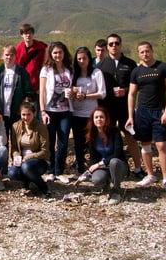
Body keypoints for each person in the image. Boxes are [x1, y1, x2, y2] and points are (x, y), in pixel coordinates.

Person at [126, 42, 166, 192]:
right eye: (142, 52)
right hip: (142, 112)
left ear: (152, 51)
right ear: (138, 54)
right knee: (145, 144)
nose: (145, 54)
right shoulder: (136, 71)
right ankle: (150, 175)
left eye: (147, 51)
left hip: (158, 111)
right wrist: (131, 116)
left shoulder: (163, 68)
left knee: (161, 145)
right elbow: (132, 94)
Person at [97, 33, 144, 178]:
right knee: (107, 137)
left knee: (131, 136)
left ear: (120, 45)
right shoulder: (101, 65)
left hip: (125, 107)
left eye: (116, 43)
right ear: (107, 46)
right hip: (107, 108)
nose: (114, 46)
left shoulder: (129, 64)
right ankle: (106, 168)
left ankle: (138, 168)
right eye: (110, 44)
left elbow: (138, 85)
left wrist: (127, 91)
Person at [39, 41, 73, 184]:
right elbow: (42, 92)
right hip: (50, 110)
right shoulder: (46, 70)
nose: (57, 55)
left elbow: (74, 87)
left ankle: (60, 170)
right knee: (50, 141)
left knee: (63, 142)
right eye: (55, 53)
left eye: (60, 52)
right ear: (51, 54)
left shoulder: (69, 69)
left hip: (65, 110)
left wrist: (73, 92)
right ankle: (51, 170)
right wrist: (43, 111)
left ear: (64, 53)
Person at [70, 46, 106, 175]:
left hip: (91, 113)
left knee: (91, 140)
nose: (81, 61)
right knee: (78, 141)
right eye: (79, 58)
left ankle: (93, 166)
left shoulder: (96, 73)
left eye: (84, 58)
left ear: (89, 59)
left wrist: (86, 96)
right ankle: (80, 166)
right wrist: (73, 92)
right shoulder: (73, 74)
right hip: (75, 112)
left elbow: (102, 93)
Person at [84, 107, 129, 205]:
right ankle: (106, 185)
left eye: (101, 117)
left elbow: (118, 153)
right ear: (93, 120)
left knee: (114, 162)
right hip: (103, 167)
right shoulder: (92, 134)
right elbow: (93, 158)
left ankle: (116, 191)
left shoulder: (115, 132)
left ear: (106, 119)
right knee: (96, 179)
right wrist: (89, 171)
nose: (99, 119)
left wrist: (100, 163)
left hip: (118, 165)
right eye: (96, 117)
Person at [0, 45, 34, 138]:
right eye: (6, 55)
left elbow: (28, 92)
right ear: (2, 56)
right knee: (2, 141)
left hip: (16, 113)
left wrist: (24, 110)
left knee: (18, 140)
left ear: (15, 56)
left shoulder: (22, 72)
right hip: (0, 113)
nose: (9, 57)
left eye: (11, 55)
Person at [8, 101, 51, 196]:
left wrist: (28, 157)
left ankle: (44, 188)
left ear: (34, 114)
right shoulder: (15, 126)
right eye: (23, 114)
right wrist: (16, 157)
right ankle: (28, 180)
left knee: (26, 167)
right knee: (12, 173)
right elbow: (14, 147)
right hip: (22, 160)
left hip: (39, 160)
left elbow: (45, 152)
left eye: (29, 114)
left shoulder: (41, 127)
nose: (26, 117)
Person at [15, 23, 48, 113]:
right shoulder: (18, 49)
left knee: (37, 113)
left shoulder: (42, 48)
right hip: (23, 87)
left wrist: (42, 86)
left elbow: (45, 68)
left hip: (37, 87)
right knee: (24, 113)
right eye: (25, 33)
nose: (28, 35)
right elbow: (16, 69)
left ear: (33, 34)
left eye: (30, 33)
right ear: (22, 35)